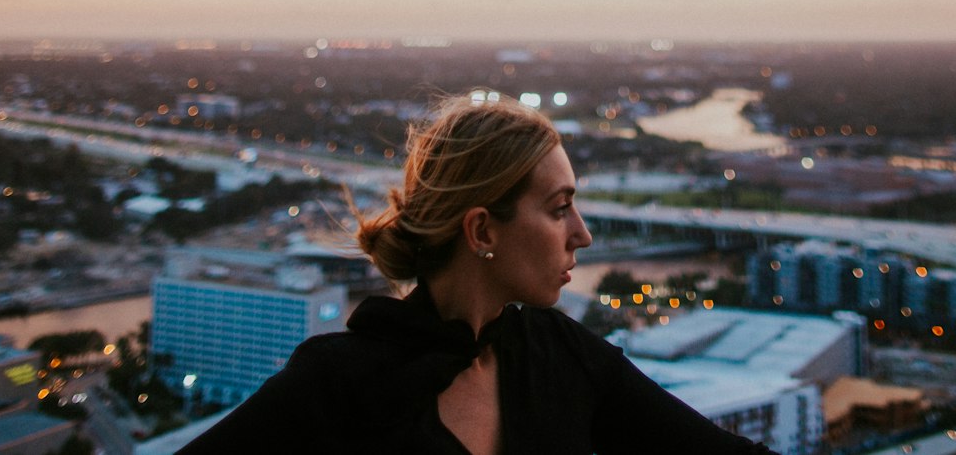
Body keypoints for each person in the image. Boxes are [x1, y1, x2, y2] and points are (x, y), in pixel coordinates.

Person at [178, 94, 777, 454]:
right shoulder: (336, 385)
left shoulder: (564, 358)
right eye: (559, 208)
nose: (583, 235)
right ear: (483, 231)